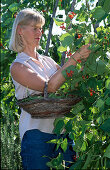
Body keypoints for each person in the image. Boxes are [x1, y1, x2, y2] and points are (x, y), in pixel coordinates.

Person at [9, 8, 91, 170]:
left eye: (40, 28)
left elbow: (66, 84)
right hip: (36, 135)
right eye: (35, 28)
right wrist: (75, 58)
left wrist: (84, 67)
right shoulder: (18, 66)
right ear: (20, 30)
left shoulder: (47, 61)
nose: (39, 32)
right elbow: (50, 87)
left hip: (63, 133)